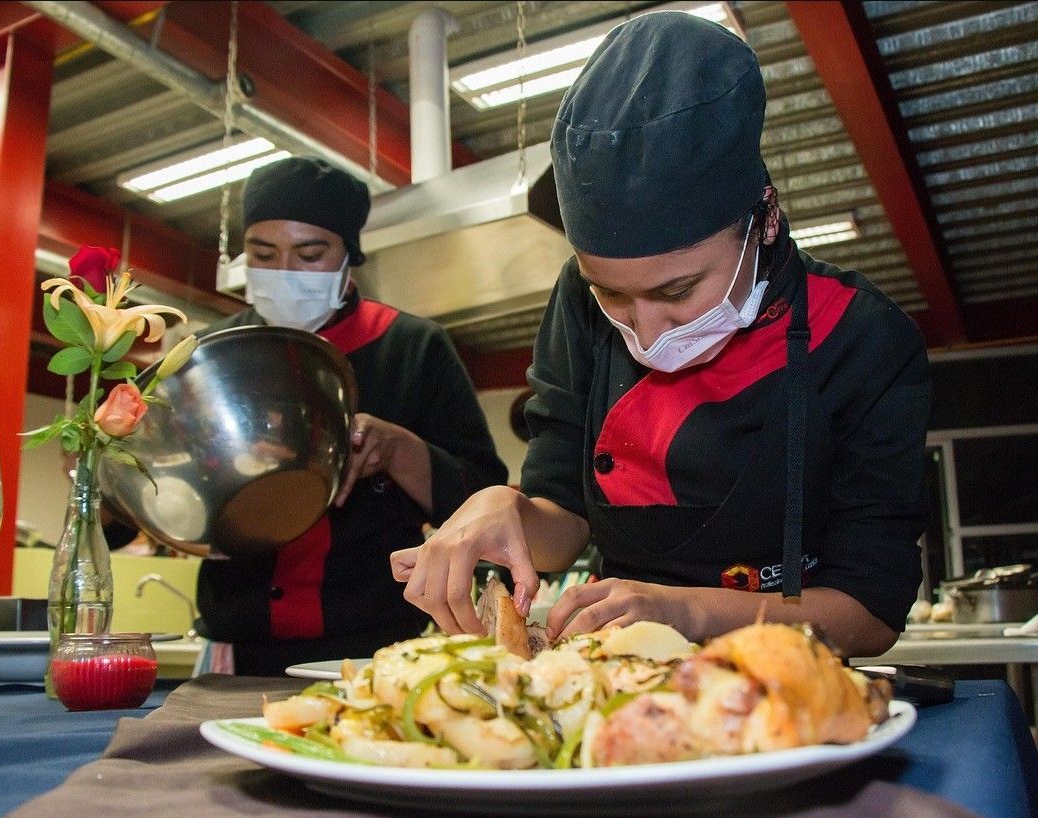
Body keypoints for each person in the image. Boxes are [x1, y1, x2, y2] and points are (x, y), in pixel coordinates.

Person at [391, 12, 929, 659]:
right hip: (618, 675)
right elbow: (563, 514)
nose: (644, 329)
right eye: (612, 292)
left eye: (677, 290)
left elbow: (869, 613)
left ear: (765, 218)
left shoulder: (863, 337)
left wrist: (680, 608)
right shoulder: (576, 303)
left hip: (786, 687)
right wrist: (506, 509)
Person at [195, 156, 509, 674]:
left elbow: (480, 494)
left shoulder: (410, 347)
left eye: (310, 254)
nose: (285, 274)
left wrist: (398, 450)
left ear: (349, 257)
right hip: (239, 646)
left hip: (377, 647)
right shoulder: (214, 354)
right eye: (263, 254)